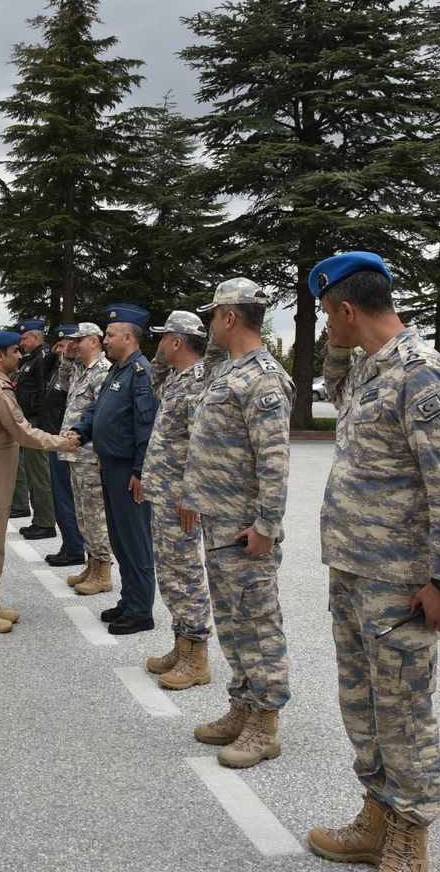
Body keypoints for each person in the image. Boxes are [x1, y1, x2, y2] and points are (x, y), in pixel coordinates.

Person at [305, 252, 440, 871]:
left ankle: (409, 832)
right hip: (351, 570)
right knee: (362, 703)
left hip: (400, 582)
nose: (327, 325)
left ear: (348, 309)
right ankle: (376, 813)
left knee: (403, 709)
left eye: (328, 314)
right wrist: (336, 348)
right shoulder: (367, 371)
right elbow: (332, 387)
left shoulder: (420, 372)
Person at [181, 277, 291, 769]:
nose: (208, 325)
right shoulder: (229, 371)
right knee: (231, 623)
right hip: (219, 524)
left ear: (228, 317)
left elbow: (274, 460)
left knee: (258, 624)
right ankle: (242, 706)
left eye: (212, 315)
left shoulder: (262, 377)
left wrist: (267, 525)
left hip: (246, 531)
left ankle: (265, 723)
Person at [0, 329, 74, 633]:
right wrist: (63, 442)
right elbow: (24, 432)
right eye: (15, 351)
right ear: (0, 355)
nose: (20, 355)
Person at [71, 304, 159, 635]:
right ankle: (129, 599)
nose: (104, 340)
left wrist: (140, 471)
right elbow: (98, 409)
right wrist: (81, 431)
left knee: (135, 541)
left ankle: (141, 610)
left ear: (127, 336)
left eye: (108, 335)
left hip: (127, 472)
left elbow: (146, 427)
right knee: (120, 541)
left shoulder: (140, 373)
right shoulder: (118, 370)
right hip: (109, 467)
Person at [140, 310, 214, 690]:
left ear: (177, 342)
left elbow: (200, 445)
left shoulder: (198, 382)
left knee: (185, 574)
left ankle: (197, 657)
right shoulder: (174, 378)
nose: (158, 345)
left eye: (163, 338)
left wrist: (192, 493)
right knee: (169, 572)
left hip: (180, 498)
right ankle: (180, 645)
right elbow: (154, 377)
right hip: (164, 492)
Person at [59, 323, 115, 595]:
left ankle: (103, 571)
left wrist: (101, 454)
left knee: (95, 516)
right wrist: (67, 358)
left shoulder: (103, 371)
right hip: (75, 454)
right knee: (82, 515)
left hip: (90, 455)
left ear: (94, 341)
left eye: (79, 340)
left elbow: (103, 416)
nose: (74, 344)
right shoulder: (81, 370)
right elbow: (65, 388)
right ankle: (92, 565)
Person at [43, 323, 87, 568]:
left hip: (72, 444)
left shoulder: (90, 371)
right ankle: (69, 545)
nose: (69, 345)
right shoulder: (71, 368)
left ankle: (74, 547)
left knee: (68, 500)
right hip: (58, 441)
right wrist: (66, 358)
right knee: (62, 499)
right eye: (64, 342)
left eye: (74, 341)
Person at [10, 319, 56, 536]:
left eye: (25, 338)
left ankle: (46, 522)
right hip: (29, 421)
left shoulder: (44, 359)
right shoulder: (32, 359)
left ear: (36, 337)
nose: (21, 342)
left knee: (39, 474)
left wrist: (43, 426)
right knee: (31, 474)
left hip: (37, 422)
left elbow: (44, 392)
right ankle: (39, 518)